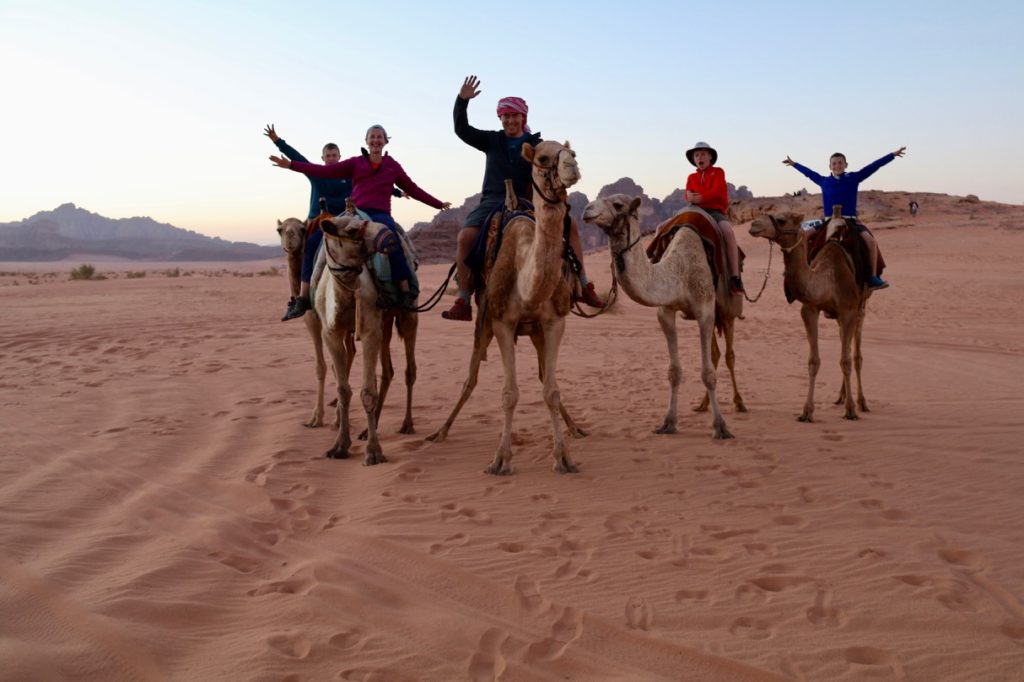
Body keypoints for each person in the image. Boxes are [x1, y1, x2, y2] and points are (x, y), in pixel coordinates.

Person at [443, 75, 603, 322]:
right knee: (466, 237)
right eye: (505, 116)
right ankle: (464, 298)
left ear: (522, 118)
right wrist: (462, 101)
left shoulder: (536, 144)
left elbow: (555, 161)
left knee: (569, 224)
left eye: (514, 116)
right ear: (500, 118)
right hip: (492, 201)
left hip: (527, 202)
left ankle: (583, 285)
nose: (510, 120)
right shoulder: (491, 140)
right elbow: (461, 130)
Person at [270, 125, 451, 314]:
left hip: (380, 215)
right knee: (315, 242)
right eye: (372, 137)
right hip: (354, 214)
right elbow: (319, 170)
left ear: (385, 140)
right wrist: (291, 165)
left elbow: (412, 188)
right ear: (366, 141)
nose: (376, 140)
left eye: (379, 137)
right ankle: (303, 297)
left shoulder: (392, 166)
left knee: (393, 241)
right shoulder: (355, 163)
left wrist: (437, 204)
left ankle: (404, 291)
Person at [264, 124, 404, 321]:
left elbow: (372, 182)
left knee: (371, 244)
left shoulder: (348, 176)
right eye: (327, 156)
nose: (331, 159)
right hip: (320, 222)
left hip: (345, 221)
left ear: (339, 157)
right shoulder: (317, 174)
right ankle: (301, 298)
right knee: (309, 249)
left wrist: (397, 192)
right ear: (323, 159)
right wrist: (278, 141)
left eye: (334, 156)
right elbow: (298, 158)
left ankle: (385, 289)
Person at [783, 147, 907, 290]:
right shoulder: (823, 181)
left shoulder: (853, 178)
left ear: (846, 165)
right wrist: (794, 164)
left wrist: (892, 155)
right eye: (834, 163)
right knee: (803, 237)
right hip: (828, 221)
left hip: (850, 221)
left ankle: (872, 277)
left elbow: (874, 166)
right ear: (830, 166)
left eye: (840, 163)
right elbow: (808, 173)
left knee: (870, 242)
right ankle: (801, 271)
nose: (837, 166)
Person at [684, 141, 744, 295]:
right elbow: (687, 193)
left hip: (713, 212)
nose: (699, 157)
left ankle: (735, 277)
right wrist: (689, 196)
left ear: (710, 156)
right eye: (696, 155)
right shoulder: (691, 177)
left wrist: (701, 198)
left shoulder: (718, 172)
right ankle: (657, 264)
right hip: (695, 211)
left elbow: (716, 192)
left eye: (703, 154)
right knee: (663, 228)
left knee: (728, 233)